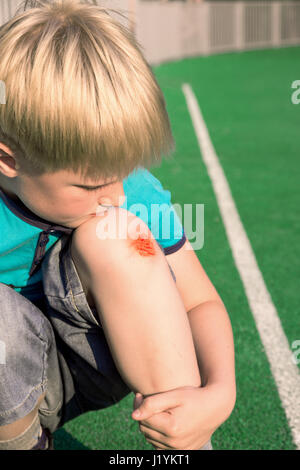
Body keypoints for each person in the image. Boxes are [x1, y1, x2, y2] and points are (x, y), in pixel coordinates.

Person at [0, 0, 236, 450]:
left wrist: (219, 394)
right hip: (9, 380)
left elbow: (199, 301)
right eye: (91, 185)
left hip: (100, 359)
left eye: (121, 174)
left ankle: (185, 446)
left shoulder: (130, 191)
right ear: (7, 159)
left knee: (119, 238)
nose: (117, 197)